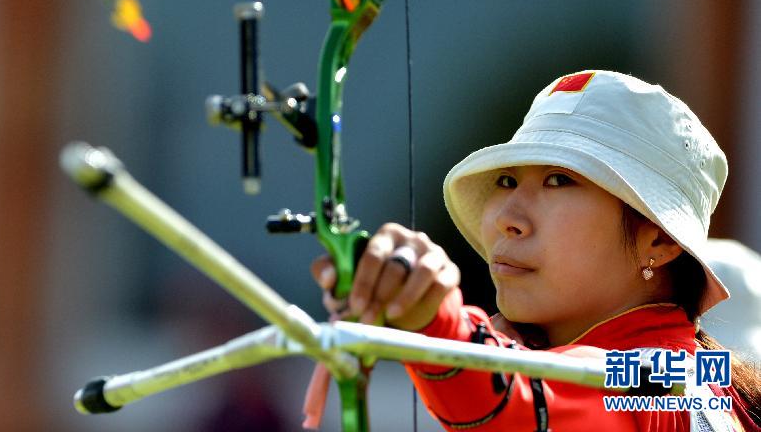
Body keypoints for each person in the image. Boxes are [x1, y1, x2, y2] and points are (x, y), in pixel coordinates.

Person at [312, 70, 761, 431]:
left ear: (658, 240)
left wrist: (436, 316)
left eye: (558, 180)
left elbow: (529, 401)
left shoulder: (656, 379)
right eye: (507, 180)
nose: (508, 216)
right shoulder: (704, 375)